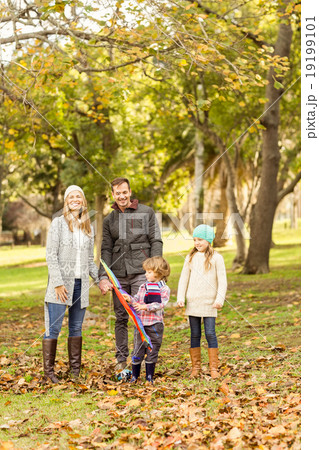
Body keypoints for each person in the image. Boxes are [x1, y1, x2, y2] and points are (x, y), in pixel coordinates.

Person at [99, 177, 163, 372]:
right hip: (118, 276)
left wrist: (156, 269)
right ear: (113, 194)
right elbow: (106, 249)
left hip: (142, 274)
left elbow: (156, 241)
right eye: (117, 193)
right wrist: (103, 276)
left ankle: (139, 357)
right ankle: (121, 359)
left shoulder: (146, 212)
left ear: (130, 191)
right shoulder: (109, 220)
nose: (121, 196)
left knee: (140, 315)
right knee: (120, 317)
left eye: (124, 192)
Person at [43, 185, 101, 383]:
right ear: (66, 201)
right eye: (71, 197)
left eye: (79, 196)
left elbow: (89, 261)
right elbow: (51, 255)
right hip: (61, 285)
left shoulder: (87, 226)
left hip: (80, 285)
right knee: (53, 328)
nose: (75, 199)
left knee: (76, 328)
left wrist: (99, 280)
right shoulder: (58, 224)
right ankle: (49, 373)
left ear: (83, 201)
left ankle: (75, 372)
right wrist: (58, 283)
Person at [177, 224, 227, 379]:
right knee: (195, 334)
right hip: (193, 302)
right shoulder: (190, 257)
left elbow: (222, 281)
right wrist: (181, 297)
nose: (197, 243)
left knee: (210, 333)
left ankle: (213, 368)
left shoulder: (217, 258)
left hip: (210, 303)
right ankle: (196, 368)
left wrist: (219, 299)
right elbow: (183, 279)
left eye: (200, 239)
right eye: (194, 240)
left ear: (208, 240)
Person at [123, 256, 170, 383]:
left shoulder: (163, 289)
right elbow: (137, 299)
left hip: (154, 325)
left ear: (159, 273)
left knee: (152, 349)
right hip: (141, 324)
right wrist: (130, 299)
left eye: (149, 272)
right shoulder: (143, 286)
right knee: (138, 349)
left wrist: (145, 307)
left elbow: (160, 304)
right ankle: (135, 376)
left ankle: (149, 377)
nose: (146, 274)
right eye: (146, 271)